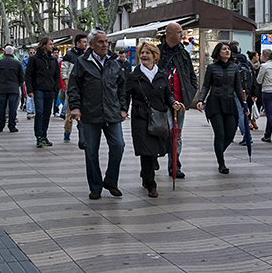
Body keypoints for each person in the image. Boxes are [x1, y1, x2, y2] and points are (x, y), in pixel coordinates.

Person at [67, 30, 128, 199]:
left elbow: (122, 88)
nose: (105, 45)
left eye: (106, 41)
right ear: (92, 45)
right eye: (101, 42)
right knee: (91, 151)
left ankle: (110, 180)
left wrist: (123, 108)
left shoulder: (114, 62)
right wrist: (75, 107)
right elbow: (73, 87)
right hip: (89, 113)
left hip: (112, 112)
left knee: (119, 146)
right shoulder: (82, 62)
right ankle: (95, 186)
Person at [126, 41, 182, 198]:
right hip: (140, 118)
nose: (144, 55)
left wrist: (173, 102)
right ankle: (151, 184)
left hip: (158, 117)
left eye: (147, 53)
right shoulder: (133, 76)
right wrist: (123, 110)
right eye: (142, 53)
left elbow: (167, 94)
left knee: (155, 150)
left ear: (154, 56)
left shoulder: (162, 75)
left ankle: (146, 174)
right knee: (146, 151)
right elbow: (126, 94)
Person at [197, 42, 247, 174]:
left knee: (230, 134)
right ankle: (221, 162)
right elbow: (206, 85)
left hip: (230, 103)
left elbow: (238, 87)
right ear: (218, 52)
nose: (227, 51)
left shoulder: (234, 67)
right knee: (220, 133)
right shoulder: (212, 67)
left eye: (229, 49)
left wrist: (244, 104)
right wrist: (201, 100)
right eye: (224, 49)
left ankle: (219, 152)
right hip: (215, 103)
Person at [158, 22, 198, 179]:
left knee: (176, 133)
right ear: (169, 33)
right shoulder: (159, 51)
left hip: (179, 101)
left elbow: (191, 76)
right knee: (161, 132)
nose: (182, 35)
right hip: (161, 101)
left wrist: (189, 92)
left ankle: (174, 165)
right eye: (180, 32)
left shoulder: (183, 53)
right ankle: (152, 159)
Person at [25, 37, 60, 147]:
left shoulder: (53, 60)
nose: (52, 46)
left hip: (50, 90)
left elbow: (56, 75)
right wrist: (30, 90)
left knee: (46, 114)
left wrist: (55, 88)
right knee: (39, 112)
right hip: (38, 89)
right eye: (50, 44)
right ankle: (39, 136)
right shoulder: (34, 59)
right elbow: (28, 75)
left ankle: (44, 135)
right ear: (44, 45)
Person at [60, 34, 88, 143]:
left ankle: (84, 134)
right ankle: (67, 132)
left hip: (84, 88)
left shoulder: (87, 55)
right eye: (84, 42)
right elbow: (64, 71)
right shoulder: (69, 55)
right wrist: (68, 86)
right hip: (72, 88)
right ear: (78, 43)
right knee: (70, 111)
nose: (86, 44)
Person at [229, 42, 253, 146]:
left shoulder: (232, 62)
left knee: (238, 113)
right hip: (245, 90)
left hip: (235, 90)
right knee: (240, 112)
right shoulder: (246, 62)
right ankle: (231, 135)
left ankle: (247, 136)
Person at [0, 46, 24, 133]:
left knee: (2, 107)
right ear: (13, 53)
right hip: (13, 88)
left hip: (2, 88)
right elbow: (22, 77)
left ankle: (0, 126)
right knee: (12, 108)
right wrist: (18, 84)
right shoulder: (18, 63)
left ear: (4, 52)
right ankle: (12, 126)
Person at [22, 47, 37, 119]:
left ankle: (33, 111)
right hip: (28, 80)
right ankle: (29, 111)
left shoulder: (36, 60)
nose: (32, 54)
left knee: (35, 96)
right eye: (31, 53)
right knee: (29, 97)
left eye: (34, 52)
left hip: (36, 80)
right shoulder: (25, 60)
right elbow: (24, 70)